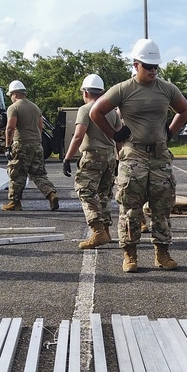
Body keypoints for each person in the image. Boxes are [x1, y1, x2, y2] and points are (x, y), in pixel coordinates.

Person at [90, 38, 187, 272]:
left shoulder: (166, 88)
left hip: (159, 157)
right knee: (130, 210)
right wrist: (115, 134)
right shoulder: (123, 89)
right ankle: (130, 255)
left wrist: (170, 131)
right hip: (133, 156)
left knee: (162, 209)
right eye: (148, 66)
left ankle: (162, 254)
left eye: (156, 66)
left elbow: (184, 110)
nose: (153, 70)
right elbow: (96, 112)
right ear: (136, 65)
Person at [62, 74, 120, 249]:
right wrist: (118, 158)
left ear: (85, 92)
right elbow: (118, 137)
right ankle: (107, 231)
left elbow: (78, 135)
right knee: (104, 194)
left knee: (85, 191)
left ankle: (97, 231)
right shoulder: (111, 111)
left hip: (93, 157)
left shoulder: (85, 109)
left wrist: (67, 158)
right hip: (110, 157)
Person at [1, 80, 60, 212]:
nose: (10, 98)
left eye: (10, 95)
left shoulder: (14, 108)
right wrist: (35, 140)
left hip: (21, 144)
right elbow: (41, 126)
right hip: (37, 145)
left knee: (16, 174)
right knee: (38, 174)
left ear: (14, 94)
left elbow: (10, 128)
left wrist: (7, 146)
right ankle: (51, 194)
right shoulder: (35, 107)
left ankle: (14, 202)